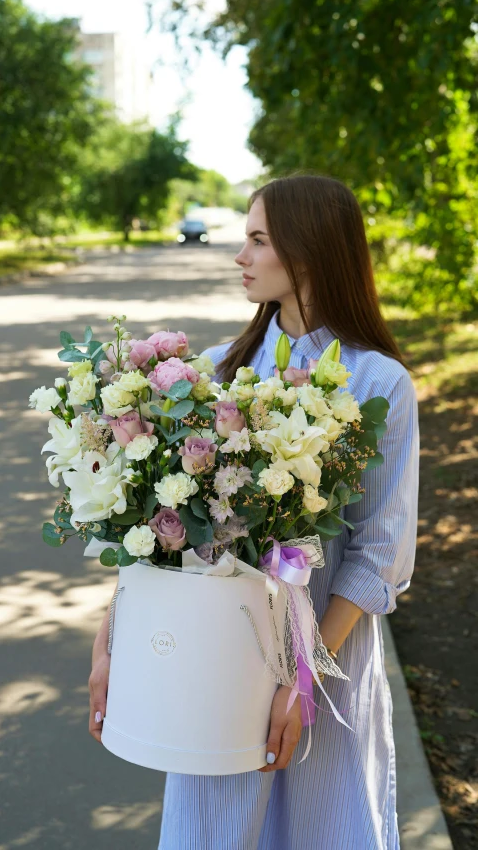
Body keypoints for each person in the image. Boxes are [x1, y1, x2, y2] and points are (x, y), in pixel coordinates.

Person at [89, 173, 420, 849]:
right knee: (214, 830)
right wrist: (111, 635)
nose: (240, 255)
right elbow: (158, 533)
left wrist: (301, 680)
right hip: (215, 655)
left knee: (326, 827)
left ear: (308, 252)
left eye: (257, 239)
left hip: (325, 661)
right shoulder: (215, 372)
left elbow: (377, 552)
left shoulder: (378, 381)